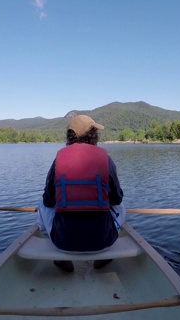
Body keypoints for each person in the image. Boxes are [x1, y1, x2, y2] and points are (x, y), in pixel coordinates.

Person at [36, 115, 125, 272]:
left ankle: (61, 259)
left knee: (42, 204)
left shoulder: (58, 160)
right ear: (92, 135)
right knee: (121, 204)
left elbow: (49, 201)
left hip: (63, 243)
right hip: (103, 242)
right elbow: (117, 198)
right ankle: (103, 258)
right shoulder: (106, 159)